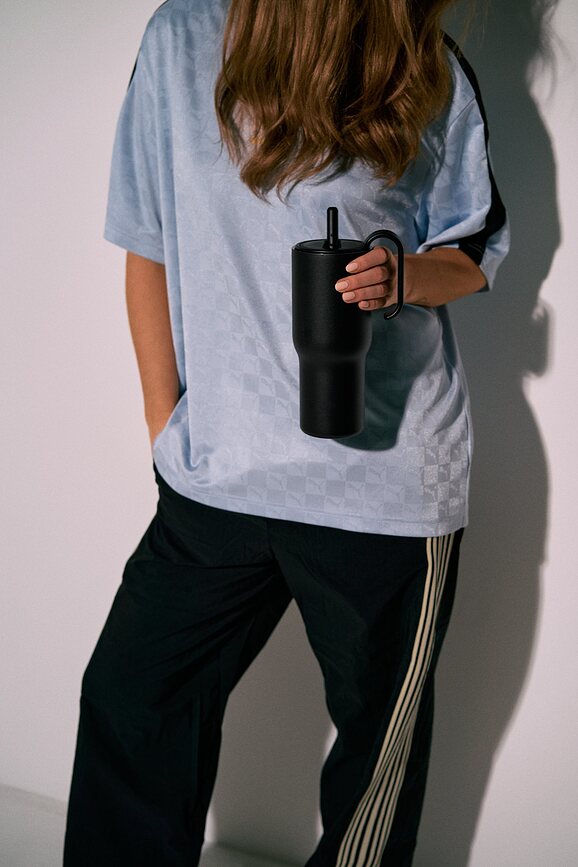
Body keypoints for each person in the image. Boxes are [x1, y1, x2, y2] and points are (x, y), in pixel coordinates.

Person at [63, 0, 510, 865]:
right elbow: (147, 243)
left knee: (372, 780)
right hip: (218, 476)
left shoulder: (424, 62)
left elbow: (472, 253)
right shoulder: (180, 39)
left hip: (381, 491)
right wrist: (168, 429)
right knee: (133, 701)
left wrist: (402, 276)